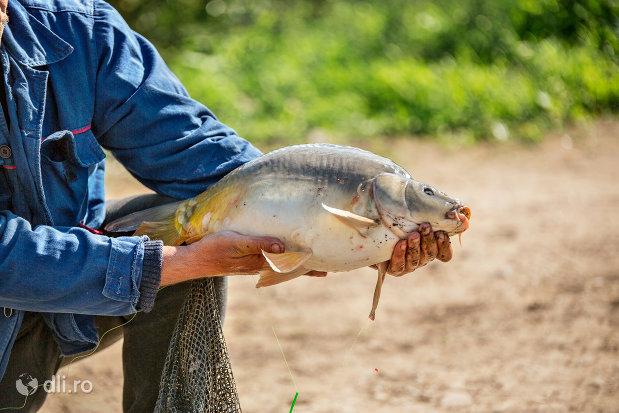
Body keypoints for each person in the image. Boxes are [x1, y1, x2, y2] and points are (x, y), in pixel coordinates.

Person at [0, 0, 453, 411]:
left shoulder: (76, 30)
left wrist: (317, 221)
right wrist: (167, 264)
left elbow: (193, 150)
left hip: (56, 300)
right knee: (176, 260)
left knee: (194, 227)